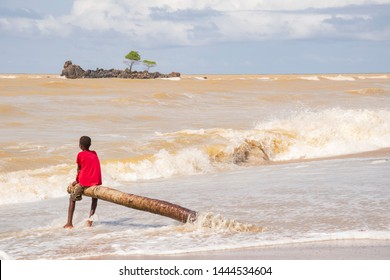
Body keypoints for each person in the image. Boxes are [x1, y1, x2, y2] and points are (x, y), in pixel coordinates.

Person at [64, 136, 102, 229]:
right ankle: (90, 220)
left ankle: (69, 223)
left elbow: (79, 169)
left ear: (80, 146)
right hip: (96, 181)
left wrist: (76, 181)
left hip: (84, 181)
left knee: (72, 198)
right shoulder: (94, 153)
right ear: (90, 145)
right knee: (94, 198)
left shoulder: (80, 155)